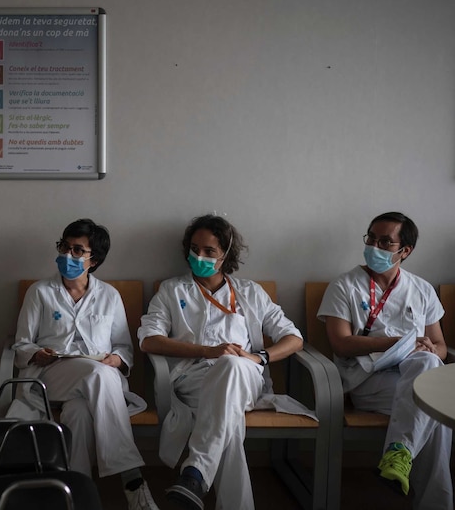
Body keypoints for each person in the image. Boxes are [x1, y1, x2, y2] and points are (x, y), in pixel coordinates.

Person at [138, 214, 306, 510]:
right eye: (194, 248)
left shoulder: (251, 292)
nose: (198, 256)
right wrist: (206, 351)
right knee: (228, 422)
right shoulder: (172, 290)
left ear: (226, 255)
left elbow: (294, 338)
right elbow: (149, 339)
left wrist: (258, 357)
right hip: (194, 381)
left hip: (246, 378)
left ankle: (196, 471)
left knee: (232, 365)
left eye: (209, 251)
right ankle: (196, 476)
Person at [12, 219, 161, 510]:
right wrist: (36, 353)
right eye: (65, 247)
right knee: (98, 373)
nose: (68, 255)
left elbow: (123, 347)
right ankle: (132, 480)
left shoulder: (109, 296)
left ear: (94, 260)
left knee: (78, 412)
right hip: (50, 375)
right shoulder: (40, 292)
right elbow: (20, 346)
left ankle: (77, 496)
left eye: (78, 250)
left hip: (94, 383)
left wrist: (117, 359)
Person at [318, 212, 452, 509]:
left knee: (428, 372)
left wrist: (429, 349)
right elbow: (340, 343)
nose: (374, 246)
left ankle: (398, 454)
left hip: (413, 375)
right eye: (371, 238)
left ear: (405, 251)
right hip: (367, 378)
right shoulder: (344, 286)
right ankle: (437, 503)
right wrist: (400, 342)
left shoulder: (422, 289)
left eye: (385, 242)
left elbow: (441, 346)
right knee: (435, 410)